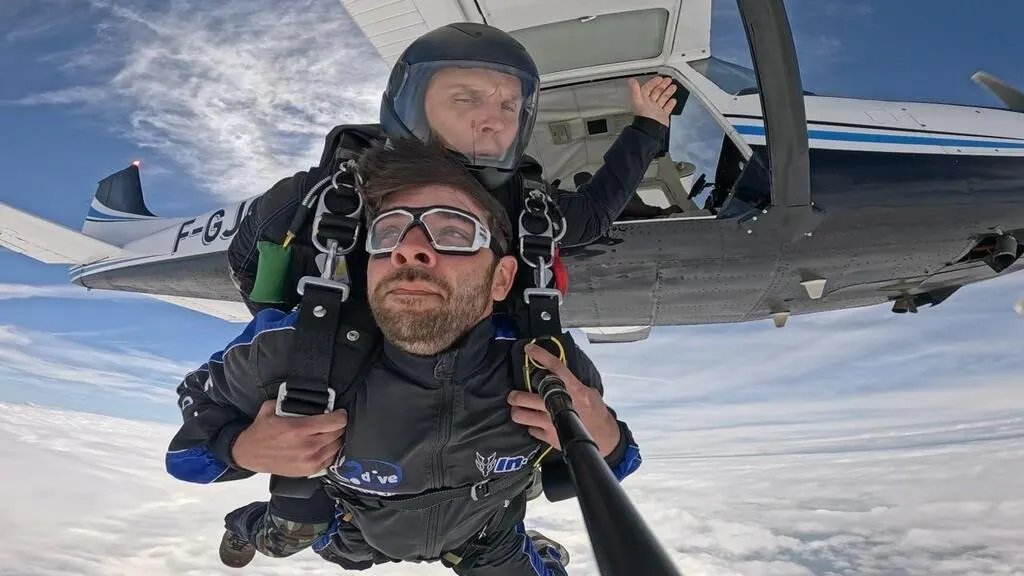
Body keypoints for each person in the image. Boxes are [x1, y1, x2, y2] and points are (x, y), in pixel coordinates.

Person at [166, 136, 642, 574]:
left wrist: (602, 436)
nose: (409, 250)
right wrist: (239, 448)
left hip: (483, 533)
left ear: (501, 279)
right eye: (389, 233)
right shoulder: (292, 353)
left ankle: (539, 553)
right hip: (352, 525)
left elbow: (617, 464)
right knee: (280, 538)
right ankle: (242, 524)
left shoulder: (544, 366)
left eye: (453, 233)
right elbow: (186, 449)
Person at [227, 21, 678, 318]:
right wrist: (298, 342)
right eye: (465, 98)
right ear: (410, 103)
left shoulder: (527, 208)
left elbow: (595, 214)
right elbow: (246, 260)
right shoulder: (320, 200)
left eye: (509, 105)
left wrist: (648, 126)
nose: (494, 120)